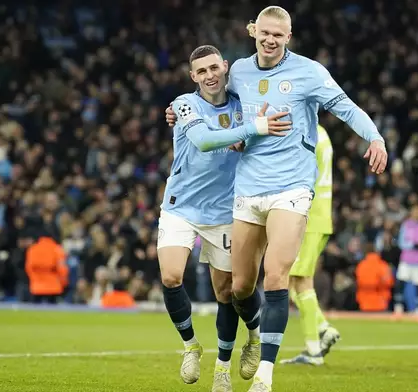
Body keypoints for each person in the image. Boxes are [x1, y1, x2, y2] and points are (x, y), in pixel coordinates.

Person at [166, 7, 387, 391]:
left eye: (278, 35)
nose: (270, 40)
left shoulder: (310, 72)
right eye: (264, 32)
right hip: (247, 188)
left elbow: (346, 107)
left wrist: (376, 137)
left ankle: (264, 377)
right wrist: (176, 111)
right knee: (240, 288)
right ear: (254, 32)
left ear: (289, 37)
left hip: (292, 187)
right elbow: (212, 95)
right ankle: (253, 336)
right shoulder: (238, 73)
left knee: (277, 275)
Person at [158, 44, 291, 391]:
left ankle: (234, 355)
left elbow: (260, 134)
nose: (209, 76)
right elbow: (203, 141)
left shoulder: (242, 104)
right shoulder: (185, 104)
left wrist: (251, 134)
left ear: (225, 66)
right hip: (181, 204)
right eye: (201, 72)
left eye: (214, 68)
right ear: (193, 78)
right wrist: (251, 130)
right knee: (172, 276)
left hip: (224, 210)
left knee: (229, 291)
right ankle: (190, 346)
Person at [280, 125, 341, 366]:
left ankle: (314, 350)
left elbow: (296, 174)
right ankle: (322, 330)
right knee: (295, 280)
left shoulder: (306, 132)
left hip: (308, 215)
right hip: (320, 214)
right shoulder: (322, 132)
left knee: (298, 279)